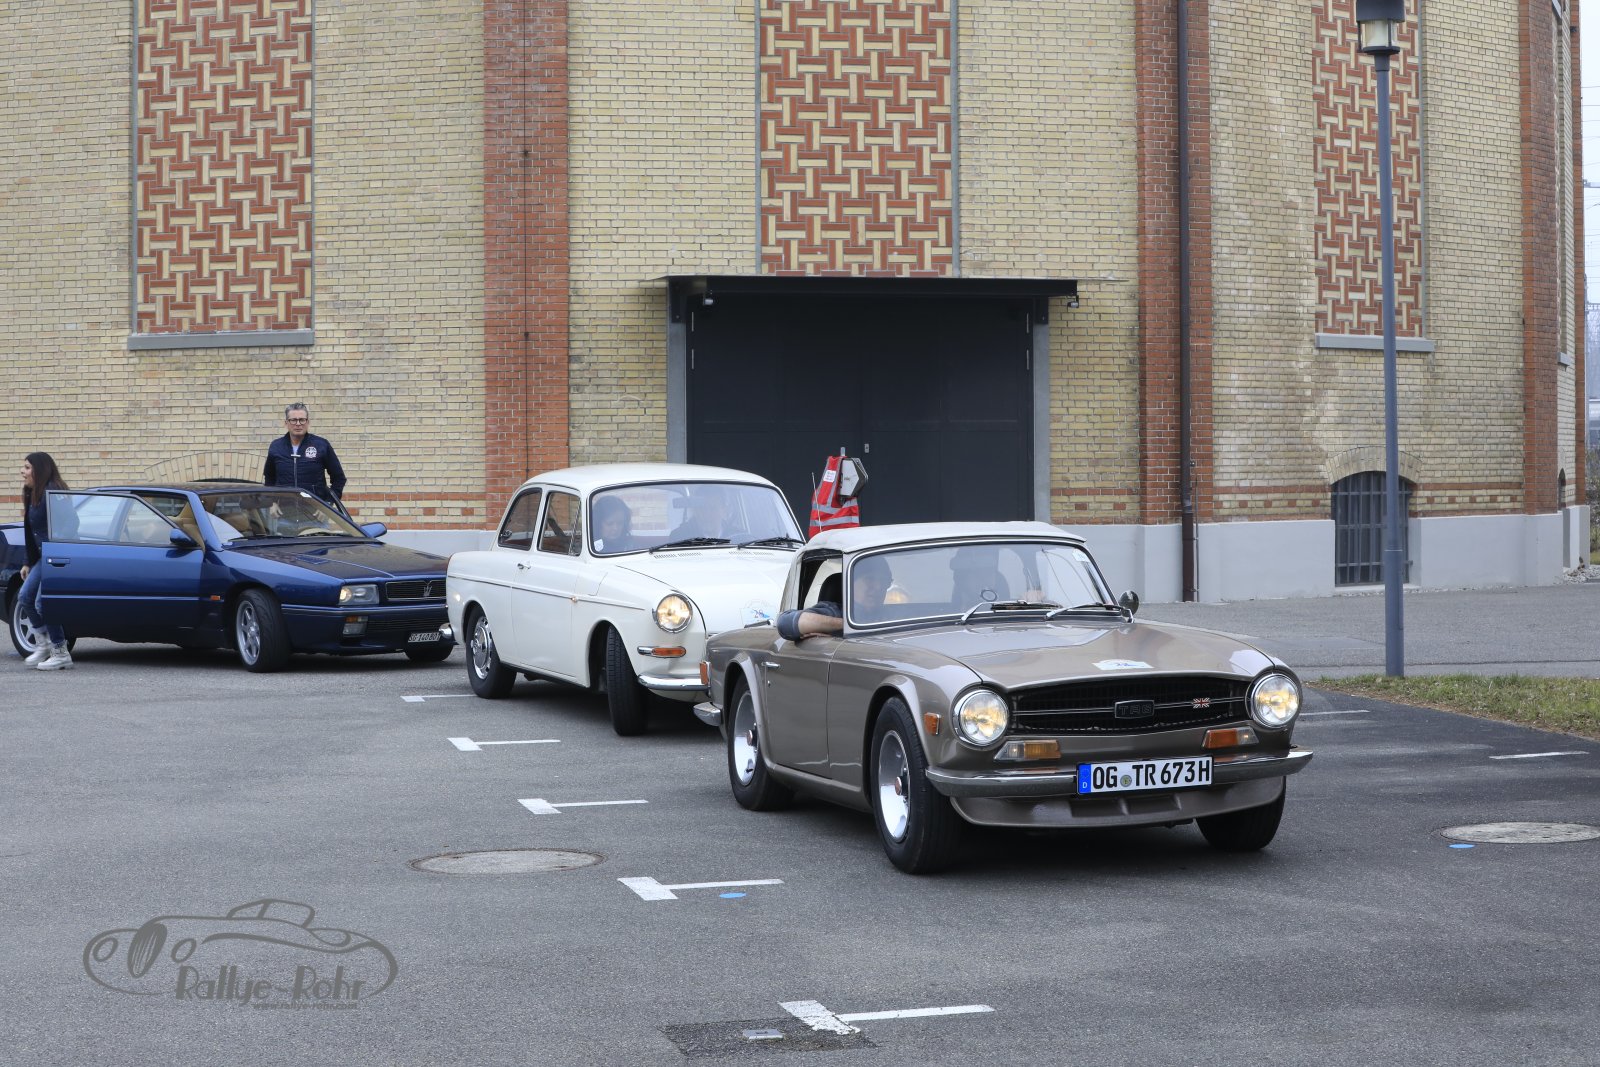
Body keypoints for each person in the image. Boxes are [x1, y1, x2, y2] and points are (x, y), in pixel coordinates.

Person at [18, 452, 74, 670]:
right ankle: (45, 643)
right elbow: (29, 531)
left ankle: (60, 652)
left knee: (43, 604)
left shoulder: (54, 492)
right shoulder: (32, 493)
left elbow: (72, 523)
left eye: (27, 467)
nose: (22, 472)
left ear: (39, 470)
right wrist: (27, 562)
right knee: (25, 597)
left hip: (55, 555)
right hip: (43, 556)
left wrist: (58, 548)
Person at [776, 555, 892, 639]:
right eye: (869, 579)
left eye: (884, 581)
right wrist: (847, 625)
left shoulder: (893, 615)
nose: (878, 587)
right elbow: (785, 622)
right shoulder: (835, 611)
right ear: (851, 583)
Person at [263, 403, 347, 506]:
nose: (298, 424)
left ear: (308, 422)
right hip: (284, 510)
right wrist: (272, 503)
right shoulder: (276, 447)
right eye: (293, 420)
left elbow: (339, 478)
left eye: (302, 420)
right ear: (286, 423)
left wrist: (328, 503)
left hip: (315, 510)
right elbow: (269, 478)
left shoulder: (321, 445)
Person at [669, 487, 745, 542]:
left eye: (713, 508)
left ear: (724, 510)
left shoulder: (739, 536)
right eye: (702, 508)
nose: (707, 514)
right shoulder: (679, 537)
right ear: (695, 510)